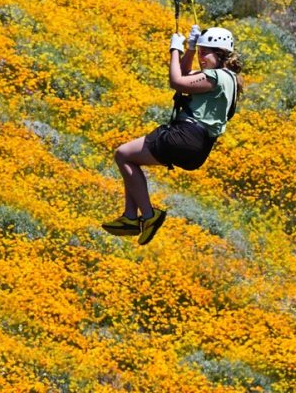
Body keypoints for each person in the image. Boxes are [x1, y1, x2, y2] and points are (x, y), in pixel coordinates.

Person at [103, 25, 244, 245]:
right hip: (198, 148)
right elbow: (186, 75)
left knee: (122, 155)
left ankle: (148, 216)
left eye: (204, 52)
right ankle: (130, 217)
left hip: (184, 136)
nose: (201, 57)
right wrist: (189, 48)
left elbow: (177, 81)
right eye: (199, 52)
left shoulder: (216, 77)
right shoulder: (227, 79)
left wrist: (174, 51)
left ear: (220, 54)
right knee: (129, 158)